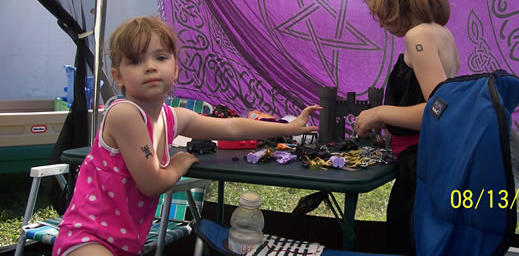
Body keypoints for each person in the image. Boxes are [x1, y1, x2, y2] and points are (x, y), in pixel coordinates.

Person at [53, 16, 320, 256]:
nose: (150, 67)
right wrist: (178, 164)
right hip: (88, 239)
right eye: (135, 61)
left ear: (176, 70)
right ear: (118, 77)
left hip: (126, 244)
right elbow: (151, 183)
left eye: (160, 57)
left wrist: (288, 127)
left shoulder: (172, 118)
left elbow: (231, 128)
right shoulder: (125, 114)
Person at [354, 0, 460, 255]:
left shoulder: (418, 37)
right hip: (432, 162)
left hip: (421, 166)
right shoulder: (442, 34)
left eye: (381, 12)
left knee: (407, 240)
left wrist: (379, 113)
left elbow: (438, 110)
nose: (380, 23)